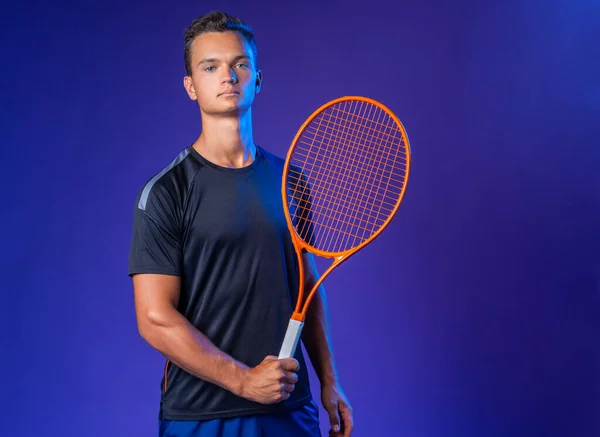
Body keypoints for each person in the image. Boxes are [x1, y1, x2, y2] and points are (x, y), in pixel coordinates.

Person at [127, 10, 354, 437]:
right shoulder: (166, 191)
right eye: (210, 67)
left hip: (289, 409)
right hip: (201, 416)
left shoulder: (290, 180)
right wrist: (243, 381)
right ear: (191, 87)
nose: (228, 76)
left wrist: (329, 381)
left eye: (240, 64)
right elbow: (154, 316)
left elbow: (307, 284)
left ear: (258, 79)